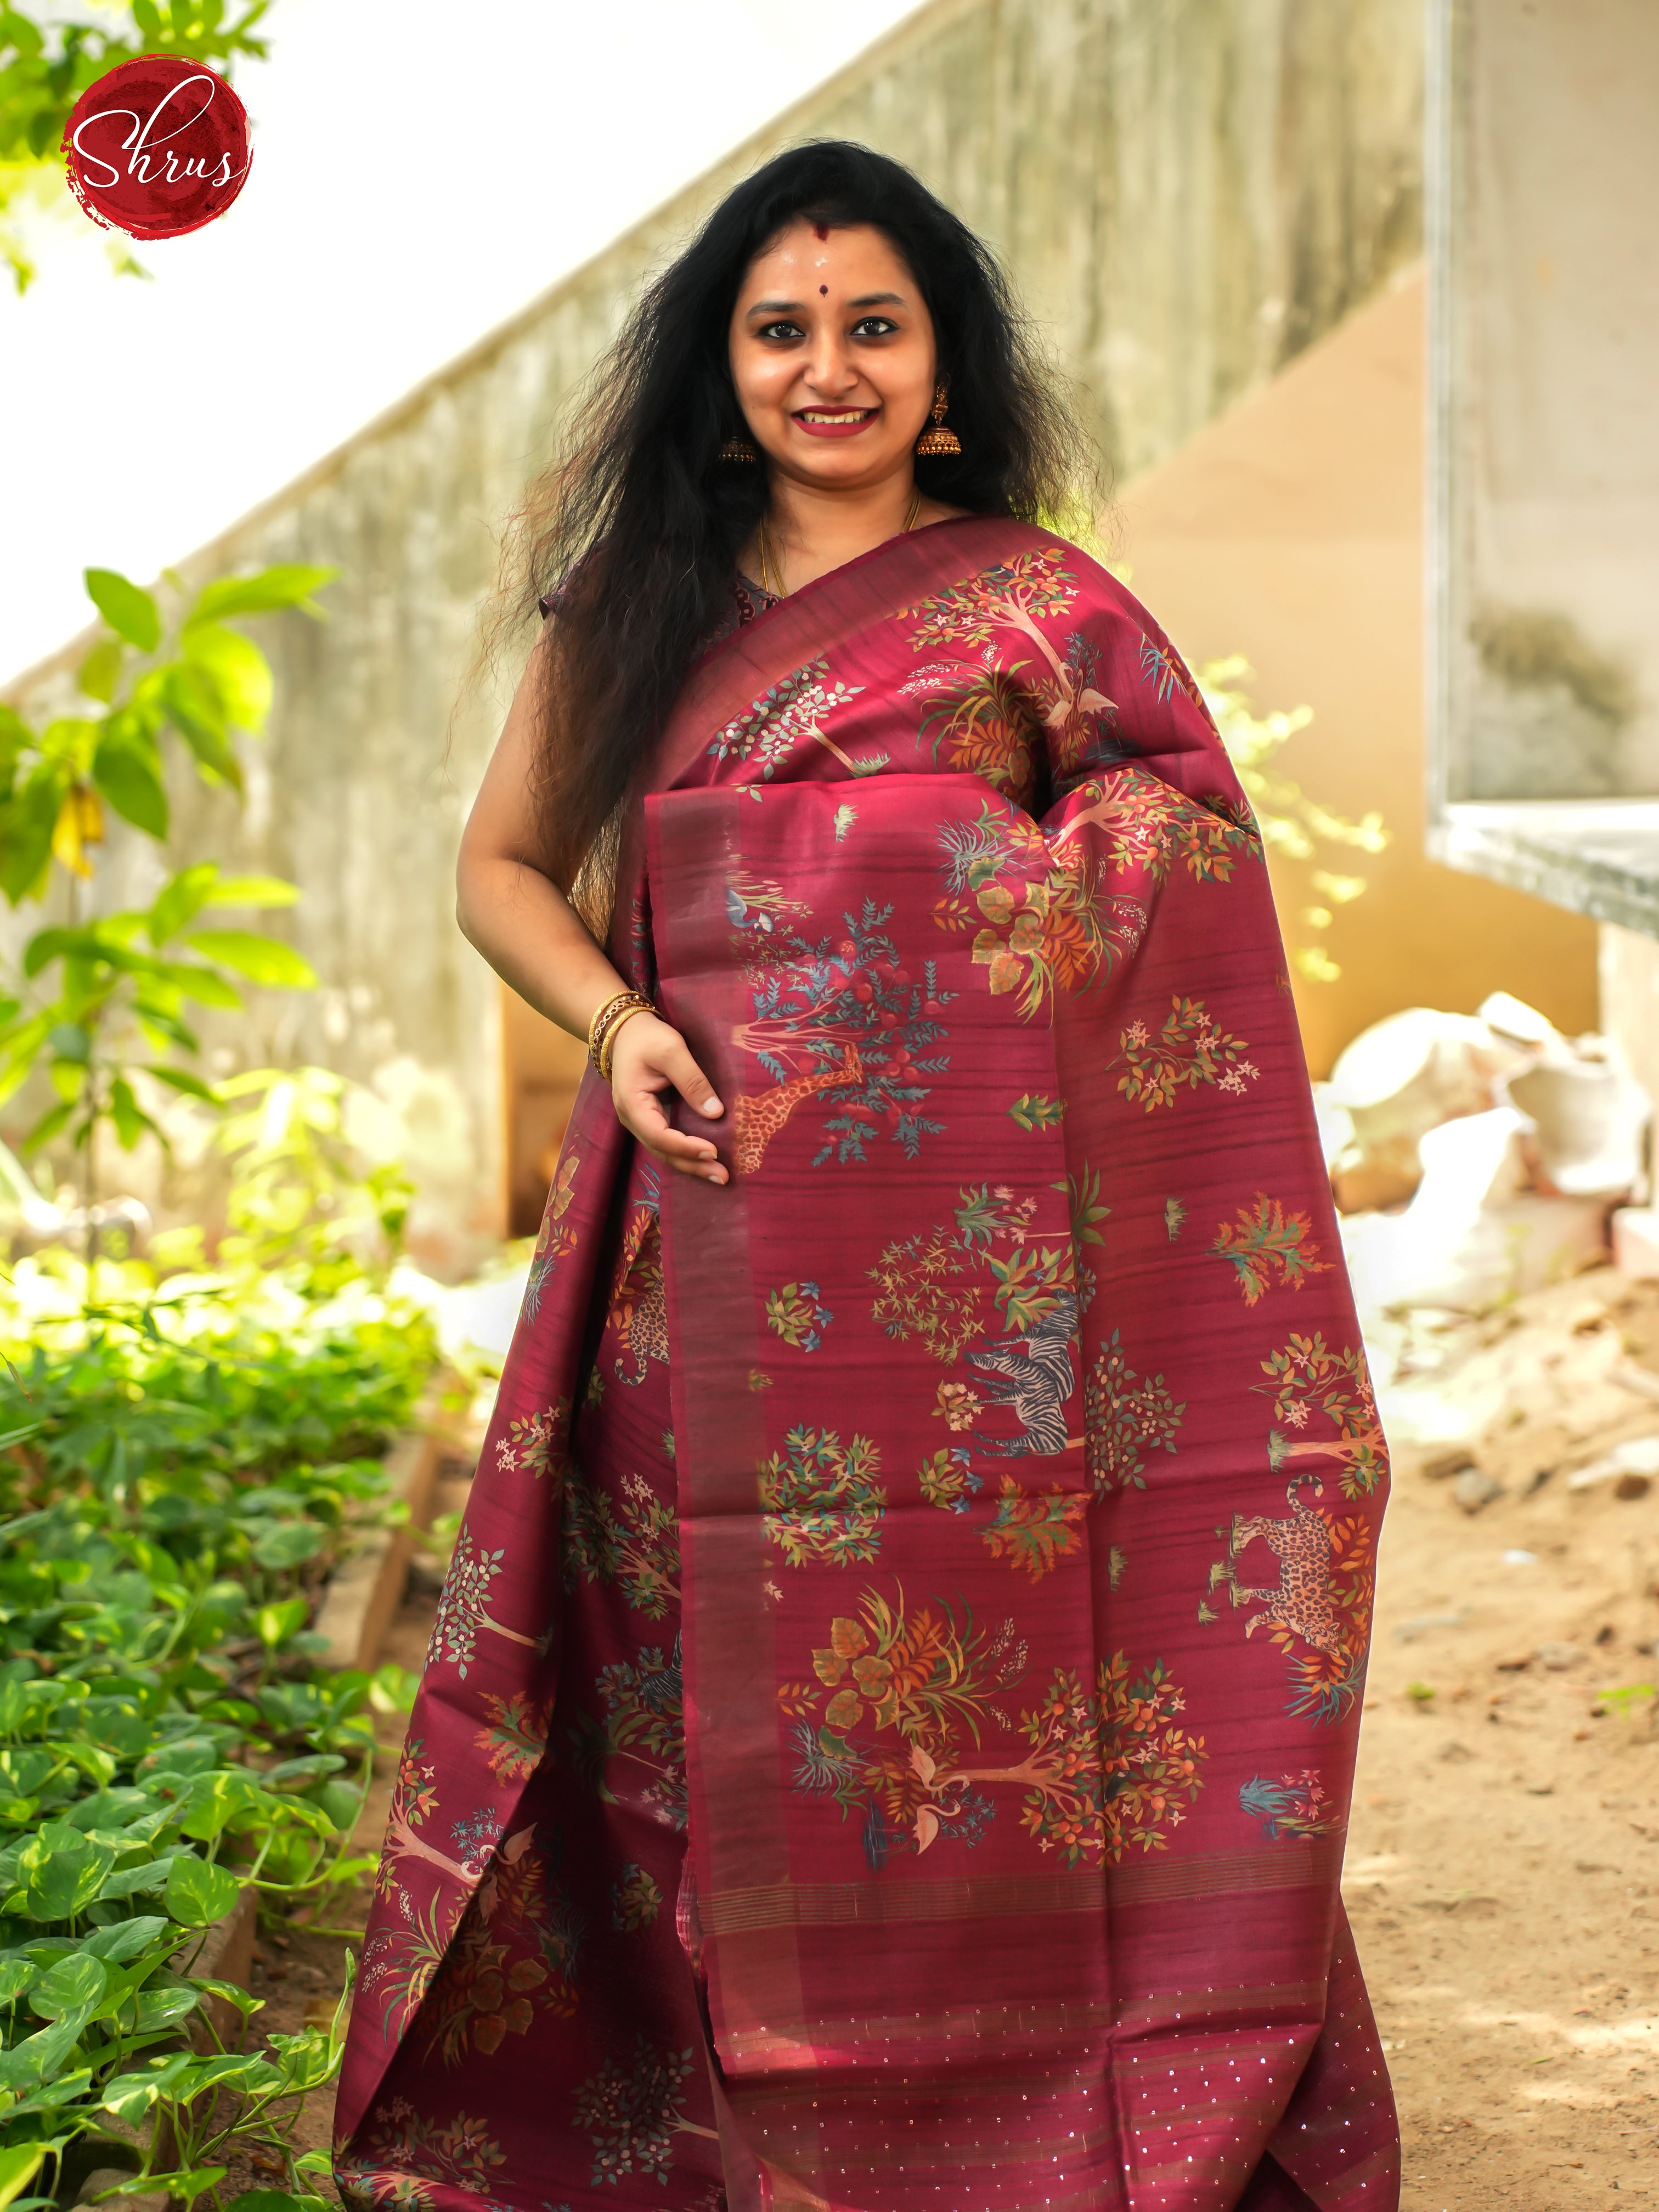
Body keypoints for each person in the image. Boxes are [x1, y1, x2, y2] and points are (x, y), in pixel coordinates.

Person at [336, 141, 1399, 2212]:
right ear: (720, 365)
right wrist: (623, 1021)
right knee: (690, 1718)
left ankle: (1042, 2131)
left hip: (1006, 1319)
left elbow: (1184, 870)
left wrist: (953, 873)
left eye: (873, 326)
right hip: (708, 1264)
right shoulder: (637, 601)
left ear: (943, 365)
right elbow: (498, 871)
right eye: (782, 328)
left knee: (1032, 1686)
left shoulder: (1047, 609)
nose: (829, 367)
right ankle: (728, 2147)